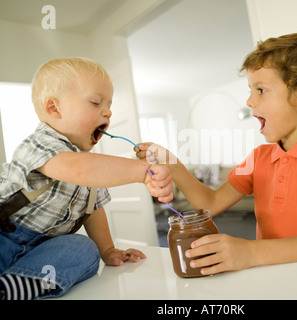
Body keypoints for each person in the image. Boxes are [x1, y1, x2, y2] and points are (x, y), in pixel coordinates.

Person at [136, 32, 297, 276]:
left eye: (261, 90)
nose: (249, 101)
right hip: (276, 278)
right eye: (250, 90)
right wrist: (173, 164)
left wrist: (251, 252)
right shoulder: (259, 157)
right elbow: (211, 202)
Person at [0, 57, 173, 300]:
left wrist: (108, 249)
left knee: (83, 249)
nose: (108, 112)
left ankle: (12, 288)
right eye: (95, 102)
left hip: (43, 251)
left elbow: (93, 210)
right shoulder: (39, 144)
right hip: (4, 236)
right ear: (54, 109)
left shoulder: (90, 165)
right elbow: (77, 169)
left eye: (109, 105)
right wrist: (140, 171)